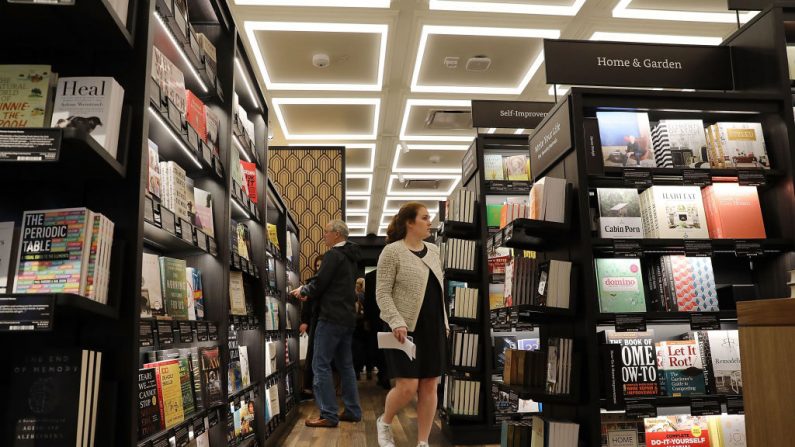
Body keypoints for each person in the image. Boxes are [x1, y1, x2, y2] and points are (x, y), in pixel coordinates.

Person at [375, 203, 448, 447]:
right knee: (407, 387)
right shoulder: (392, 251)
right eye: (425, 218)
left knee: (429, 386)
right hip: (403, 329)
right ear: (409, 222)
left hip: (434, 327)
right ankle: (384, 422)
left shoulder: (434, 251)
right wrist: (396, 320)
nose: (430, 222)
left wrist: (445, 323)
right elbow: (382, 293)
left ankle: (423, 442)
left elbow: (438, 290)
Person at [290, 220, 362, 428]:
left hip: (330, 317)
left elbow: (321, 282)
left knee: (319, 365)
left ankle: (328, 414)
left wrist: (303, 291)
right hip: (347, 318)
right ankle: (352, 410)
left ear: (338, 234)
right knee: (345, 366)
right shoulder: (350, 257)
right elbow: (331, 283)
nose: (324, 236)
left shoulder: (333, 255)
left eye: (327, 232)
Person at [299, 254, 324, 400]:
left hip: (325, 321)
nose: (318, 268)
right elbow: (306, 306)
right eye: (317, 266)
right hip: (314, 321)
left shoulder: (324, 283)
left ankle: (314, 388)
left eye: (321, 265)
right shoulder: (311, 284)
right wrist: (304, 321)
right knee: (311, 354)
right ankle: (308, 388)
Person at [352, 277, 368, 380]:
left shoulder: (353, 295)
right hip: (361, 325)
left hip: (352, 325)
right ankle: (359, 369)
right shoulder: (364, 296)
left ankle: (356, 371)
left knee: (353, 349)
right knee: (360, 349)